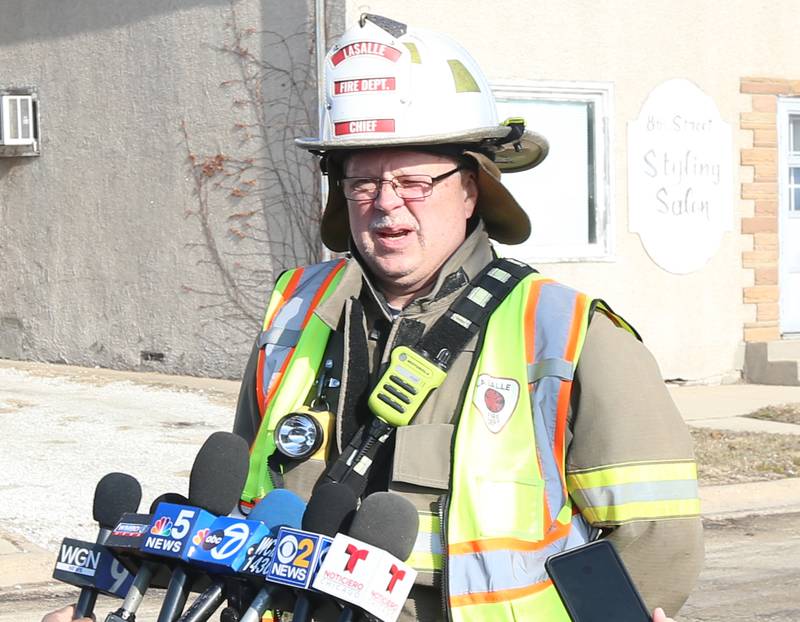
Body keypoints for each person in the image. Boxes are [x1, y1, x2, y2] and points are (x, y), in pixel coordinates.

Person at [45, 13, 700, 622]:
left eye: (414, 182)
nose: (387, 207)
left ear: (471, 188)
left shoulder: (572, 333)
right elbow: (240, 508)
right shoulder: (293, 313)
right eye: (363, 184)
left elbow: (657, 543)